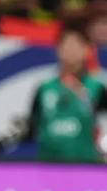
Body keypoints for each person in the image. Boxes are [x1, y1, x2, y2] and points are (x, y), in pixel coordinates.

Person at [22, 23, 106, 163]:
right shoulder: (45, 88)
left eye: (76, 45)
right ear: (58, 50)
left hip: (86, 164)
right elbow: (32, 127)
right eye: (66, 45)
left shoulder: (97, 87)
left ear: (87, 50)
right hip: (49, 164)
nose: (71, 50)